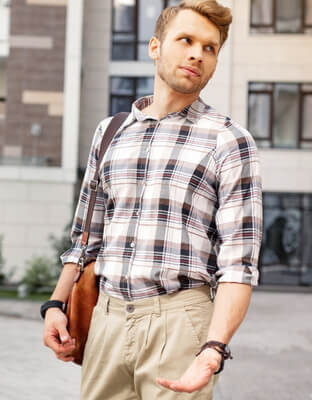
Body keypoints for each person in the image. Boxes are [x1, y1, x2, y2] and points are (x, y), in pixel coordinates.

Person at [42, 1, 263, 399]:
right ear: (155, 46)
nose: (197, 53)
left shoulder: (229, 141)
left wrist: (213, 349)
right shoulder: (109, 132)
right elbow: (84, 239)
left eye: (210, 48)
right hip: (106, 319)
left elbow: (239, 264)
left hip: (181, 321)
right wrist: (55, 305)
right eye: (186, 40)